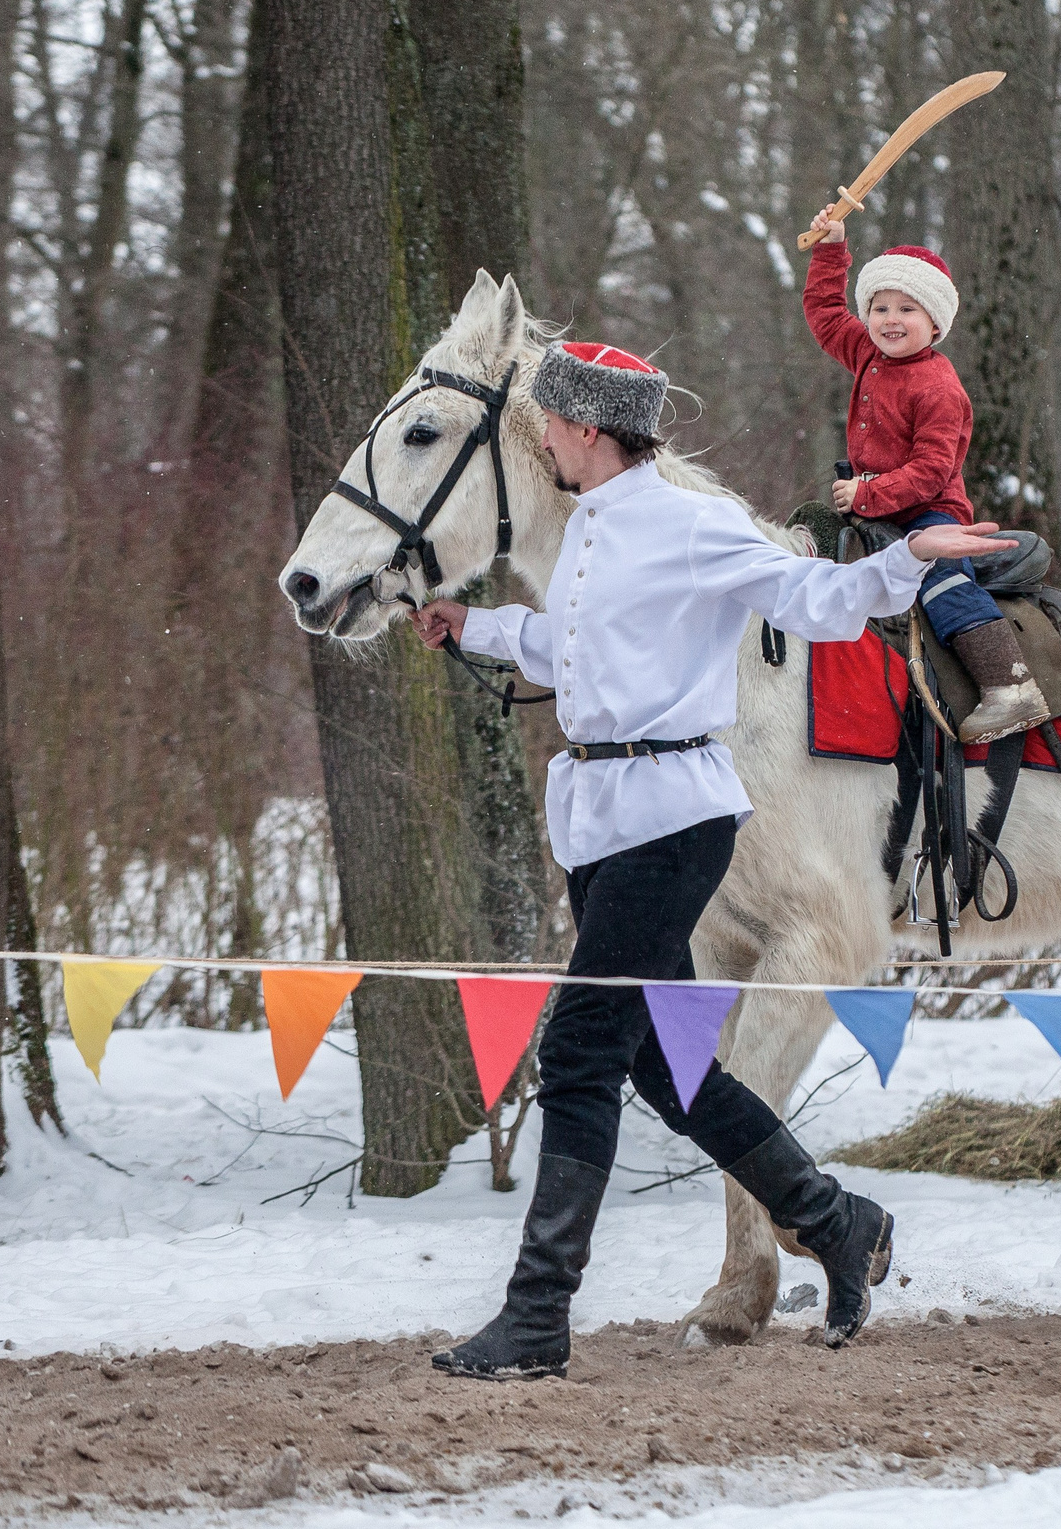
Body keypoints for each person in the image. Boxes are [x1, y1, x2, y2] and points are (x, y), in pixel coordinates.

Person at [411, 339, 1021, 1379]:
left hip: (672, 822)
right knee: (667, 1068)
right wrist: (474, 626)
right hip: (603, 823)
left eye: (551, 426)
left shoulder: (692, 524)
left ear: (588, 430)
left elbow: (811, 603)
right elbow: (574, 650)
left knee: (578, 1051)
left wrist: (902, 565)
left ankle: (536, 1314)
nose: (545, 440)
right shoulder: (592, 533)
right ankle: (836, 1223)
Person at [802, 204, 1046, 743]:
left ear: (935, 323)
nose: (890, 319)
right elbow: (823, 314)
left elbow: (933, 470)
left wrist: (868, 493)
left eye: (907, 309)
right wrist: (830, 248)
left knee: (938, 577)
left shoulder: (938, 387)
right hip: (870, 499)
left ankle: (1009, 684)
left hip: (929, 510)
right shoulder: (868, 352)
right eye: (880, 307)